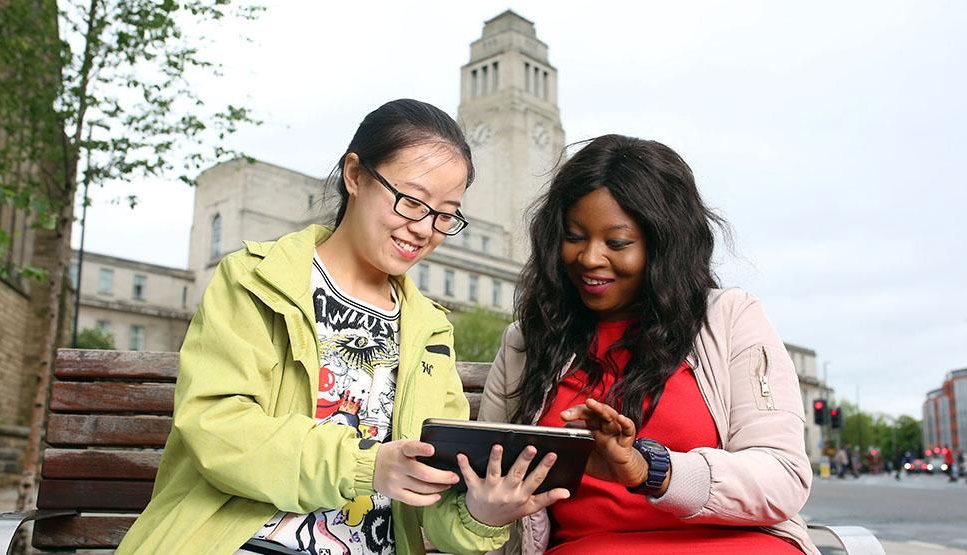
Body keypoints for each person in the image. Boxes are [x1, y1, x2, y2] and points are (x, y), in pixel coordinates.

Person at [116, 99, 567, 555]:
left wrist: (481, 513)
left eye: (445, 215)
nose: (424, 229)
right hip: (241, 539)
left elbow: (435, 504)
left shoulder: (430, 330)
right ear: (355, 175)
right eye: (412, 201)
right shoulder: (256, 279)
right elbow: (216, 428)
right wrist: (365, 466)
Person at [479, 135, 816, 554]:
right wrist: (485, 505)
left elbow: (782, 477)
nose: (589, 258)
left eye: (617, 243)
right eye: (574, 236)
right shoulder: (526, 343)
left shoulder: (730, 319)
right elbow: (486, 475)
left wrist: (650, 469)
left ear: (664, 245)